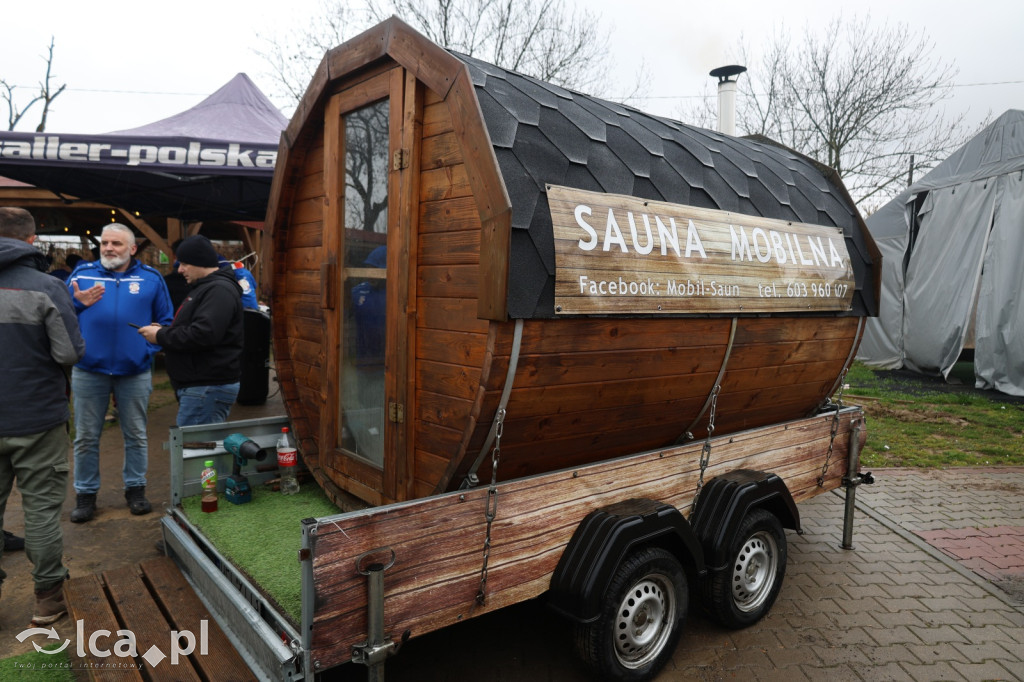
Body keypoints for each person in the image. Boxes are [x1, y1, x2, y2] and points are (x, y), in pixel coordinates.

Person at [0, 207, 86, 625]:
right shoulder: (47, 287)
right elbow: (69, 352)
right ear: (31, 241)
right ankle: (47, 599)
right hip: (37, 418)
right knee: (40, 511)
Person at [67, 224, 174, 522]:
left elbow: (165, 321)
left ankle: (135, 490)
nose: (109, 248)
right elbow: (59, 315)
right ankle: (85, 494)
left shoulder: (151, 278)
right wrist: (77, 303)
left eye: (116, 243)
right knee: (86, 436)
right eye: (105, 243)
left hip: (135, 370)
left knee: (136, 434)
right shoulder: (82, 275)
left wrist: (146, 351)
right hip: (89, 369)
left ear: (132, 249)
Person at [139, 235, 243, 426]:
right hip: (201, 386)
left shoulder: (218, 290)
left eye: (184, 263)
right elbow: (199, 327)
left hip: (206, 385)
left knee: (197, 451)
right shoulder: (207, 288)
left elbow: (203, 334)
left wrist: (160, 336)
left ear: (199, 261)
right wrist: (165, 330)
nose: (179, 270)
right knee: (199, 450)